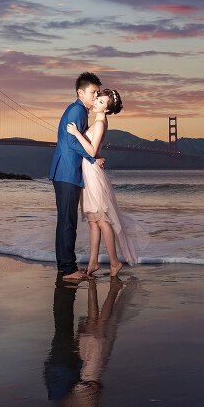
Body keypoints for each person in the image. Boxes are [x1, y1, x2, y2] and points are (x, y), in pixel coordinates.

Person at [66, 89, 145, 277]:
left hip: (92, 174)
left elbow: (92, 151)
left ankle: (115, 263)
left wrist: (76, 133)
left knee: (102, 220)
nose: (96, 102)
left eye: (101, 102)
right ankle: (93, 263)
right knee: (93, 221)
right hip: (89, 171)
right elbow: (96, 151)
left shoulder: (101, 123)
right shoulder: (98, 121)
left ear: (108, 109)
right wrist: (98, 155)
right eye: (97, 99)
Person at [49, 72, 104, 281]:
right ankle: (69, 269)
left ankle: (64, 265)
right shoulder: (78, 110)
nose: (96, 96)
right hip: (67, 171)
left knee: (65, 220)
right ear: (80, 92)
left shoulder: (78, 110)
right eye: (93, 92)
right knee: (68, 222)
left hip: (65, 171)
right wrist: (93, 158)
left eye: (98, 92)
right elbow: (72, 142)